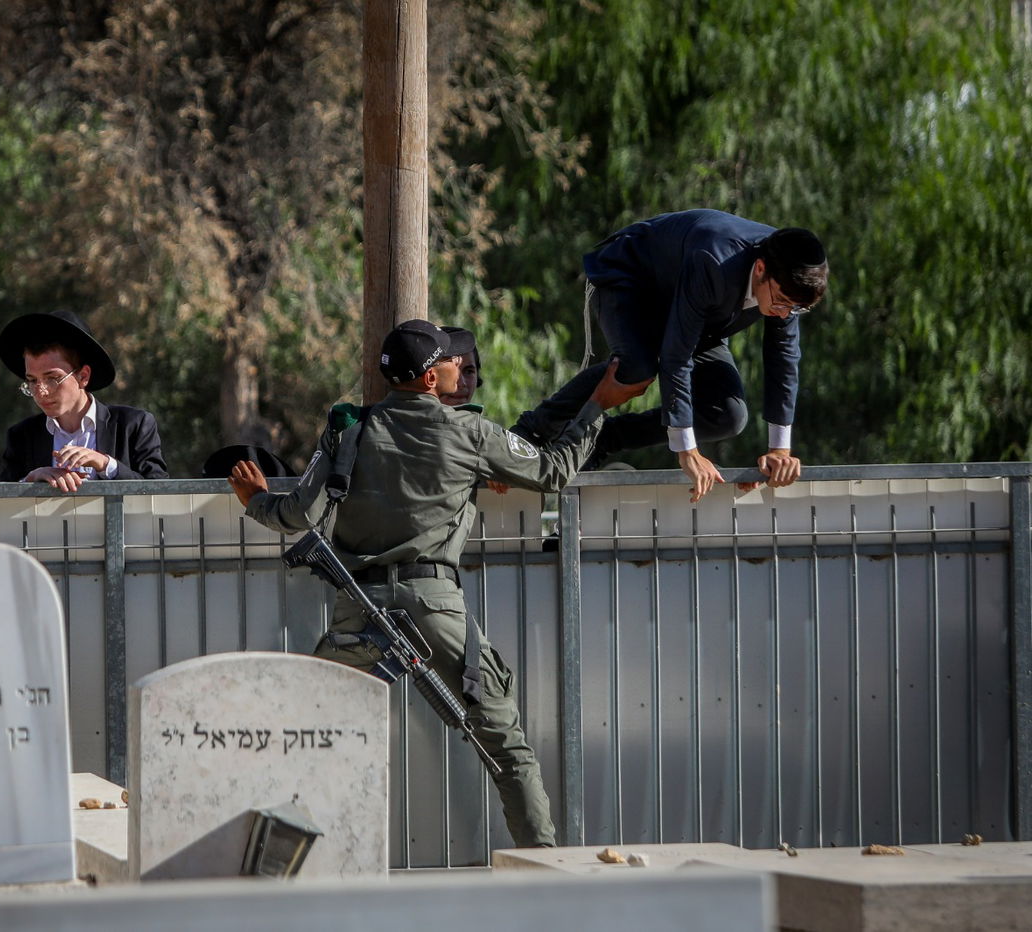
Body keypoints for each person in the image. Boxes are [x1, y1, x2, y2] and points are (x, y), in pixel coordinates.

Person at [226, 320, 651, 847]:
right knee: (506, 747)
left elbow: (299, 514)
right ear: (431, 379)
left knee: (304, 735)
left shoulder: (348, 428)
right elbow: (551, 471)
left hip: (359, 608)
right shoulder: (470, 432)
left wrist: (256, 500)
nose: (461, 367)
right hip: (435, 607)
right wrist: (598, 405)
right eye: (452, 360)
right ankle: (544, 867)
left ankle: (271, 861)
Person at [512, 209, 828, 502]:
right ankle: (529, 433)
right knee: (636, 369)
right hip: (631, 279)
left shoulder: (786, 279)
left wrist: (779, 450)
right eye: (781, 300)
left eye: (795, 308)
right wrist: (688, 451)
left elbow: (784, 360)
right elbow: (677, 356)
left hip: (695, 312)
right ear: (760, 269)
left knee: (728, 415)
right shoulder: (715, 260)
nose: (783, 312)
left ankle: (604, 438)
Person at [0, 310, 167, 489]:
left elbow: (160, 491)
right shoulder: (21, 436)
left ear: (83, 376)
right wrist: (29, 481)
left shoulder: (133, 425)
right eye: (32, 381)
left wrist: (105, 464)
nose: (42, 392)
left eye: (52, 378)